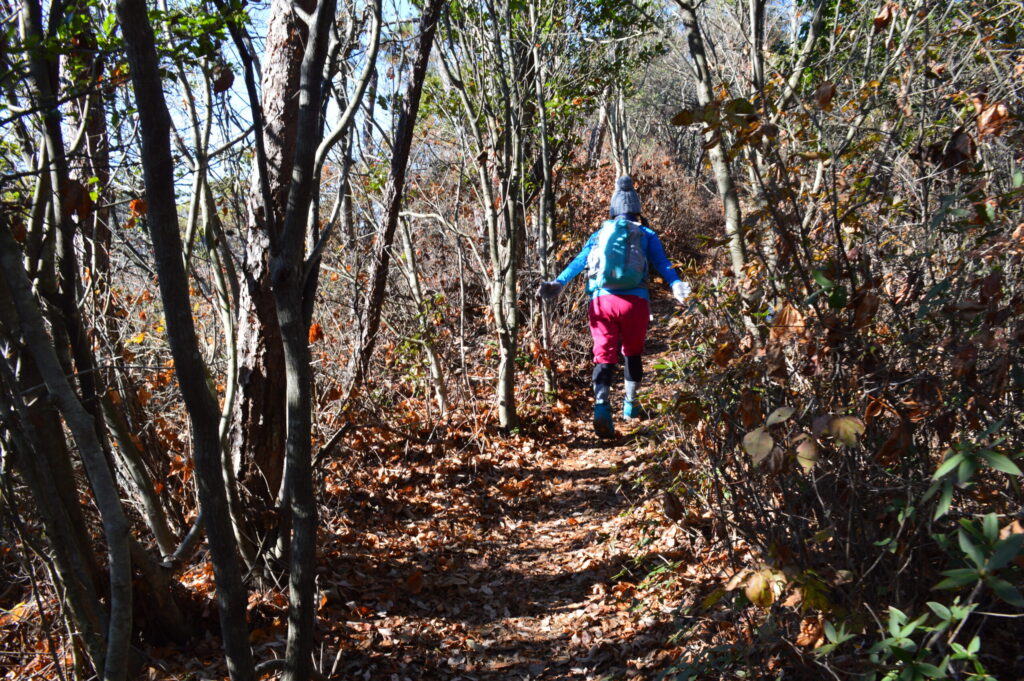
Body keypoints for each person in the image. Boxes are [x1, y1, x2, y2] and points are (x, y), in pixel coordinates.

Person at [537, 176, 691, 437]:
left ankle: (601, 408)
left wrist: (558, 283)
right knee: (632, 353)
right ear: (637, 210)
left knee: (604, 355)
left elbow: (578, 262)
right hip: (636, 303)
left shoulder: (600, 234)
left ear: (613, 210)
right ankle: (630, 405)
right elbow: (663, 264)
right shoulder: (646, 233)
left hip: (601, 304)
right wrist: (676, 285)